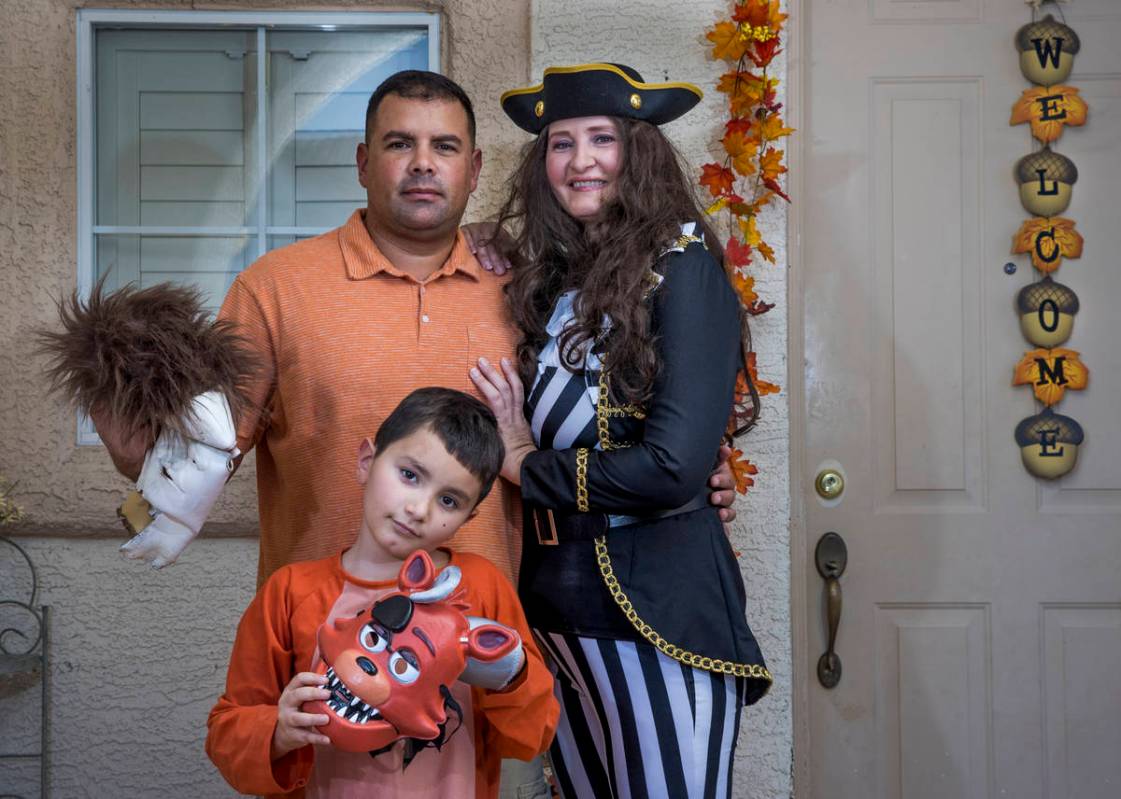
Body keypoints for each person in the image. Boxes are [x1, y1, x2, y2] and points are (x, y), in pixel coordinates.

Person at [90, 69, 739, 798]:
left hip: (478, 653)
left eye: (445, 146)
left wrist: (693, 472)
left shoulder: (532, 287)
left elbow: (615, 404)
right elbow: (192, 463)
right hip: (321, 651)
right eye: (400, 143)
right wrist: (128, 449)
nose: (423, 163)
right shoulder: (276, 288)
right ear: (364, 162)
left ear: (475, 168)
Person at [470, 64, 772, 799]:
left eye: (601, 138)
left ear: (637, 151)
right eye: (560, 144)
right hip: (552, 606)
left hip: (656, 606)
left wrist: (521, 464)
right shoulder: (544, 277)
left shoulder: (685, 266)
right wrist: (469, 237)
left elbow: (672, 466)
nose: (580, 161)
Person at [206, 387, 559, 798]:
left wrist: (511, 676)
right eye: (409, 475)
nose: (419, 508)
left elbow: (532, 736)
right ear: (367, 462)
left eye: (448, 500)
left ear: (469, 517)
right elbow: (226, 733)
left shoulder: (480, 588)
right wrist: (278, 732)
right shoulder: (289, 593)